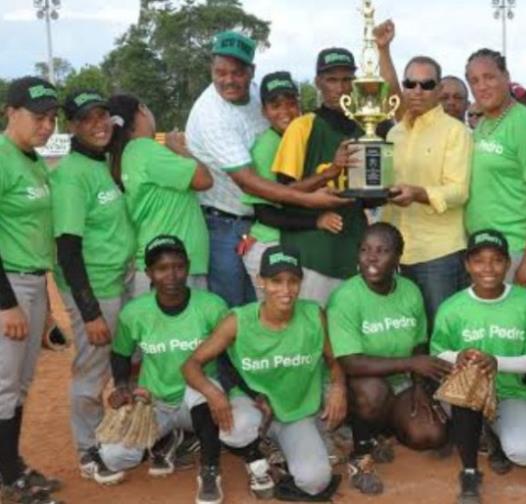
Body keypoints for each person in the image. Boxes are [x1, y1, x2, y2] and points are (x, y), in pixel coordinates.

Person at [186, 31, 346, 308]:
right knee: (233, 309)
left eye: (236, 73)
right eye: (220, 72)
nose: (228, 80)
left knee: (261, 310)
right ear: (210, 70)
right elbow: (249, 183)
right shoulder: (213, 115)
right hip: (225, 223)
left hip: (258, 225)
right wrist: (313, 198)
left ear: (251, 72)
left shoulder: (256, 95)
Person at [183, 245, 346, 501]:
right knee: (233, 430)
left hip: (295, 413)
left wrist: (339, 388)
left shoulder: (314, 315)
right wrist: (214, 394)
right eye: (276, 281)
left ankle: (279, 449)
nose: (285, 290)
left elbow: (333, 361)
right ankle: (255, 454)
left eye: (293, 281)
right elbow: (191, 364)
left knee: (315, 482)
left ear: (300, 282)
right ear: (261, 282)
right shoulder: (239, 320)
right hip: (253, 406)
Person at [82, 236, 229, 504]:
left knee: (206, 395)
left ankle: (209, 471)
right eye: (162, 268)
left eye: (179, 266)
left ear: (188, 267)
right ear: (149, 273)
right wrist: (123, 386)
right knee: (116, 458)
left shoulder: (212, 306)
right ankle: (166, 440)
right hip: (155, 401)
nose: (172, 275)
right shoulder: (135, 312)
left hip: (196, 397)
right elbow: (120, 354)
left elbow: (229, 356)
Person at [327, 223, 451, 495]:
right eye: (365, 250)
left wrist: (419, 386)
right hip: (359, 383)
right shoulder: (346, 297)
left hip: (402, 382)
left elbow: (419, 345)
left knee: (430, 435)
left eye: (382, 251)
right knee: (371, 391)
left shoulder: (409, 290)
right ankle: (360, 455)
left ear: (397, 258)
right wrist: (410, 365)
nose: (371, 258)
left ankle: (381, 433)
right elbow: (350, 362)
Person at [50, 90, 136, 474]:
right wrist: (90, 314)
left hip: (120, 280)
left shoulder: (103, 161)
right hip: (96, 287)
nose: (98, 124)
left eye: (102, 115)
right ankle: (88, 450)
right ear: (72, 126)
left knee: (124, 360)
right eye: (87, 119)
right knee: (91, 369)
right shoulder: (71, 175)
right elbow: (67, 249)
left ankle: (118, 431)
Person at [271, 42, 393, 306]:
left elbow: (368, 198)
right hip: (312, 249)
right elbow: (285, 195)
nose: (340, 87)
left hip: (354, 245)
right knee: (315, 327)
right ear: (318, 82)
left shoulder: (366, 126)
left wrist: (385, 192)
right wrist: (330, 173)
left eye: (347, 79)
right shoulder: (303, 127)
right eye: (332, 79)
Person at [430, 230, 526, 503]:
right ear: (468, 265)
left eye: (496, 260)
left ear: (508, 264)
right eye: (479, 261)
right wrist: (459, 357)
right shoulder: (453, 307)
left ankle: (491, 432)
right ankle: (470, 472)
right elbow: (437, 352)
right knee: (471, 380)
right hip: (463, 397)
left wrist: (496, 362)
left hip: (509, 394)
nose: (488, 268)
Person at [0, 76, 62, 504]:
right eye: (39, 117)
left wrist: (48, 310)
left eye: (53, 119)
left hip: (33, 283)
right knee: (3, 386)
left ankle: (12, 468)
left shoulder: (35, 161)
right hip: (9, 285)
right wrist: (6, 305)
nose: (47, 127)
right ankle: (10, 478)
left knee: (19, 385)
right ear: (11, 113)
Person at [379, 51, 472, 327]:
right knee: (405, 331)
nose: (417, 90)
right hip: (394, 249)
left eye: (427, 84)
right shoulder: (393, 133)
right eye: (410, 84)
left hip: (438, 254)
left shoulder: (456, 132)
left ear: (439, 89)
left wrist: (418, 193)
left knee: (439, 332)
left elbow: (458, 191)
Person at [241, 71, 339, 300]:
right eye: (275, 106)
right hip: (269, 243)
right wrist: (317, 221)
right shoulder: (267, 147)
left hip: (292, 241)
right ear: (264, 111)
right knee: (277, 319)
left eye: (291, 103)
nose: (285, 112)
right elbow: (266, 213)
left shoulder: (298, 137)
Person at [465, 48, 526, 289]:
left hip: (516, 248)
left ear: (506, 76)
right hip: (483, 246)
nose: (482, 86)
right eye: (474, 81)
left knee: (517, 323)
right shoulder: (483, 124)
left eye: (489, 77)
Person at [107, 94, 213, 296]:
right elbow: (204, 179)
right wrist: (178, 148)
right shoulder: (147, 150)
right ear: (142, 109)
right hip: (175, 264)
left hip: (156, 261)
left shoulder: (125, 154)